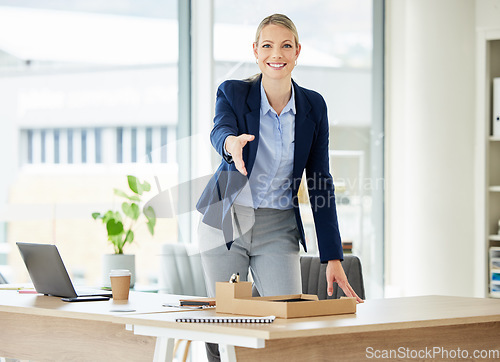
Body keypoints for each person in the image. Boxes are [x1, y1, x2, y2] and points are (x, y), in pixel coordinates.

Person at [196, 13, 363, 361]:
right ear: (255, 51)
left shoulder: (313, 106)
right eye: (268, 45)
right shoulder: (233, 92)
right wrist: (230, 145)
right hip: (227, 219)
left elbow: (320, 181)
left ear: (297, 51)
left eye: (286, 45)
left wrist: (333, 255)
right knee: (227, 329)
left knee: (285, 329)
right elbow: (220, 130)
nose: (277, 53)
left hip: (278, 226)